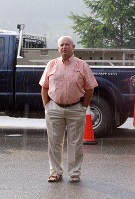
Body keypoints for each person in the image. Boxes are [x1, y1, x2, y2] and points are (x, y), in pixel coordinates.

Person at [39, 36, 98, 183]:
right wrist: (47, 105)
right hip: (54, 108)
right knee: (54, 143)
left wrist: (83, 107)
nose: (64, 47)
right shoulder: (51, 64)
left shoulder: (82, 65)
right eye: (61, 45)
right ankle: (55, 172)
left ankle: (74, 173)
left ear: (73, 47)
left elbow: (90, 88)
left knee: (75, 143)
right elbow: (44, 87)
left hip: (75, 109)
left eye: (67, 45)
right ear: (58, 48)